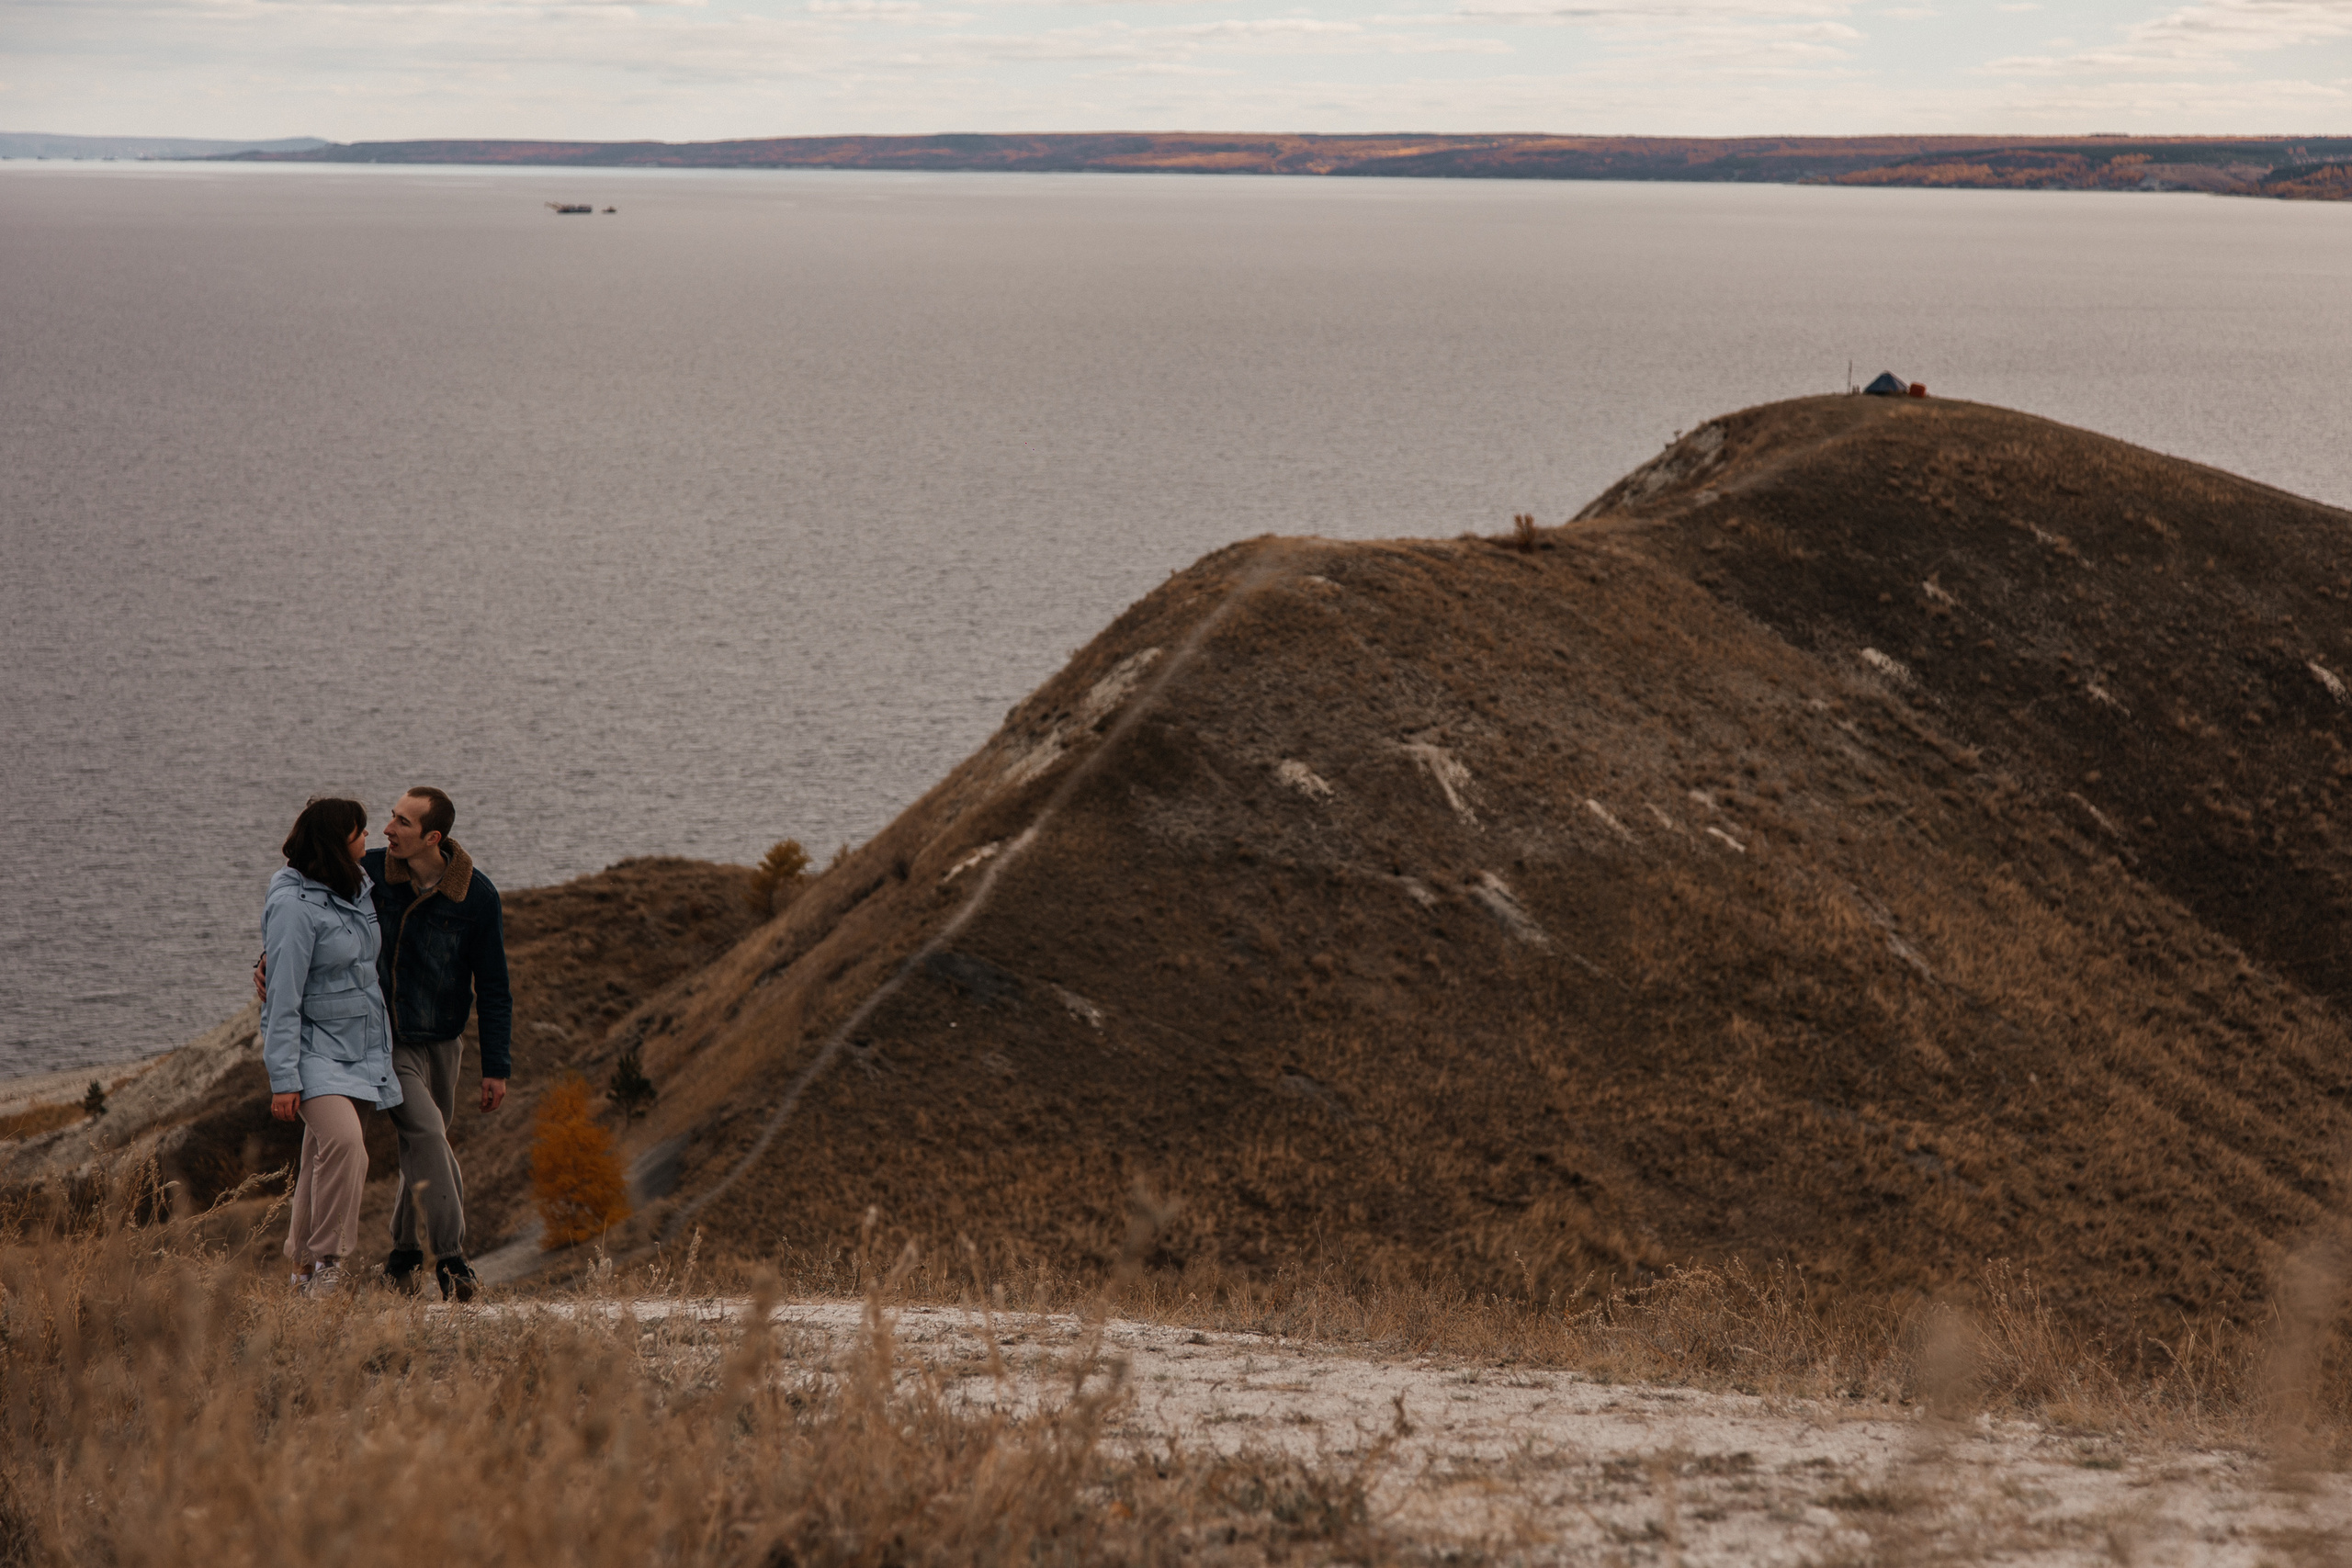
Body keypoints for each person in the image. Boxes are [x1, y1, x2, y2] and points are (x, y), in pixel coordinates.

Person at [361, 786, 513, 1302]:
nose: (387, 829)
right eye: (390, 817)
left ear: (433, 838)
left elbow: (493, 987)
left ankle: (402, 1255)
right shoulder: (373, 872)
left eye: (401, 822)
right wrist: (268, 959)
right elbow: (304, 901)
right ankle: (452, 1263)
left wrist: (497, 1067)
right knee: (428, 1137)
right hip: (390, 1042)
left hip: (444, 1045)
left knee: (421, 1148)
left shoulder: (477, 896)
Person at [261, 796, 402, 1298]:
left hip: (360, 1049)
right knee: (345, 1147)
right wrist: (284, 1079)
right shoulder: (294, 907)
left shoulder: (357, 885)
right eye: (362, 834)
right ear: (339, 845)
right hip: (314, 1051)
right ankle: (329, 1263)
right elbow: (281, 998)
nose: (372, 841)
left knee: (324, 1155)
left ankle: (300, 1274)